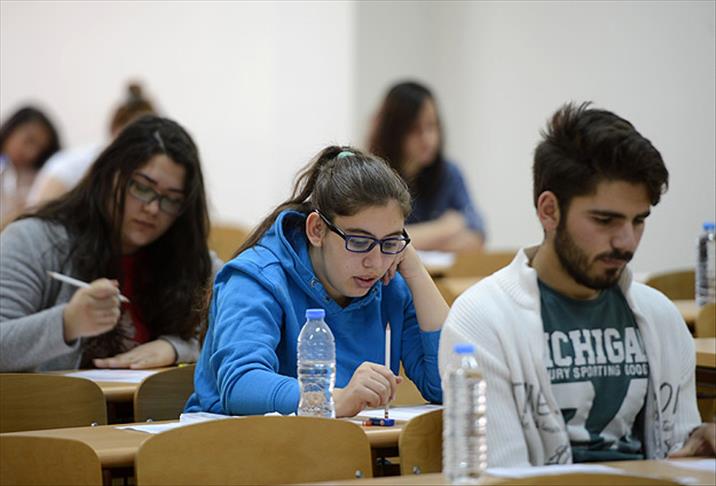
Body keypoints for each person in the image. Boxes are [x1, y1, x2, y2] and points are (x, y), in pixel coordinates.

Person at [439, 102, 715, 466]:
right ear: (549, 211)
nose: (626, 242)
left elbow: (678, 451)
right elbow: (502, 476)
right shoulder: (482, 320)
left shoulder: (661, 317)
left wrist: (698, 446)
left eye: (638, 221)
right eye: (605, 220)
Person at [185, 146, 448, 417]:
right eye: (359, 242)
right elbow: (241, 386)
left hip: (345, 442)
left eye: (390, 242)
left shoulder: (390, 281)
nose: (376, 263)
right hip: (233, 440)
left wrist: (416, 270)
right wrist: (331, 399)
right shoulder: (255, 277)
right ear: (317, 230)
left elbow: (448, 387)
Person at [0, 115, 221, 372]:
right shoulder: (34, 240)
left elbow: (245, 332)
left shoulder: (188, 259)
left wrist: (177, 348)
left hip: (149, 400)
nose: (153, 208)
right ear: (108, 175)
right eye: (142, 187)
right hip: (54, 399)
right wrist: (67, 323)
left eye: (172, 199)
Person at [368, 81, 485, 252]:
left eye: (431, 126)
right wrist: (445, 228)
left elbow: (477, 236)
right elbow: (379, 242)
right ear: (393, 132)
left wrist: (412, 240)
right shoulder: (372, 177)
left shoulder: (449, 172)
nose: (427, 139)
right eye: (414, 129)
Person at [27, 82, 156, 206]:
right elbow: (41, 210)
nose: (136, 145)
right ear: (115, 128)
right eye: (131, 135)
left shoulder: (143, 171)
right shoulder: (72, 164)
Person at [0, 106, 61, 228]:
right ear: (11, 130)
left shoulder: (40, 179)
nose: (31, 153)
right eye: (29, 141)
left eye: (40, 148)